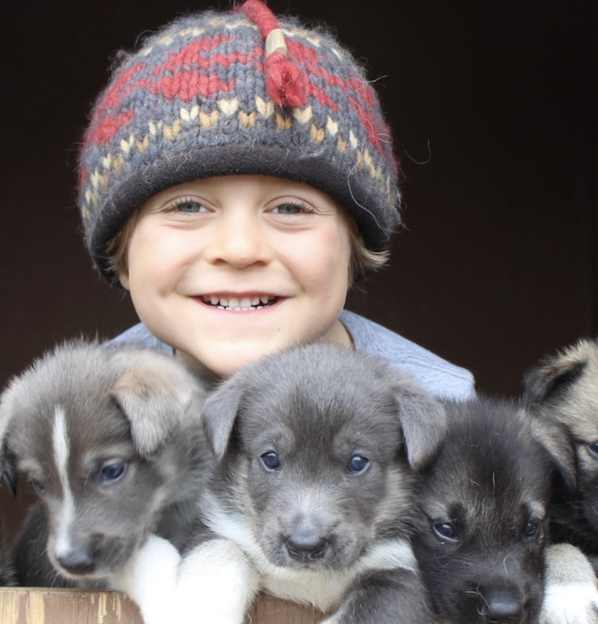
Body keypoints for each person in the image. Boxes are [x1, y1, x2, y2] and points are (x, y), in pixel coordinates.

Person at [76, 0, 474, 400]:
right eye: (188, 207)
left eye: (289, 209)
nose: (240, 250)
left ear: (354, 245)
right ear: (121, 249)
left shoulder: (444, 417)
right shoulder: (77, 412)